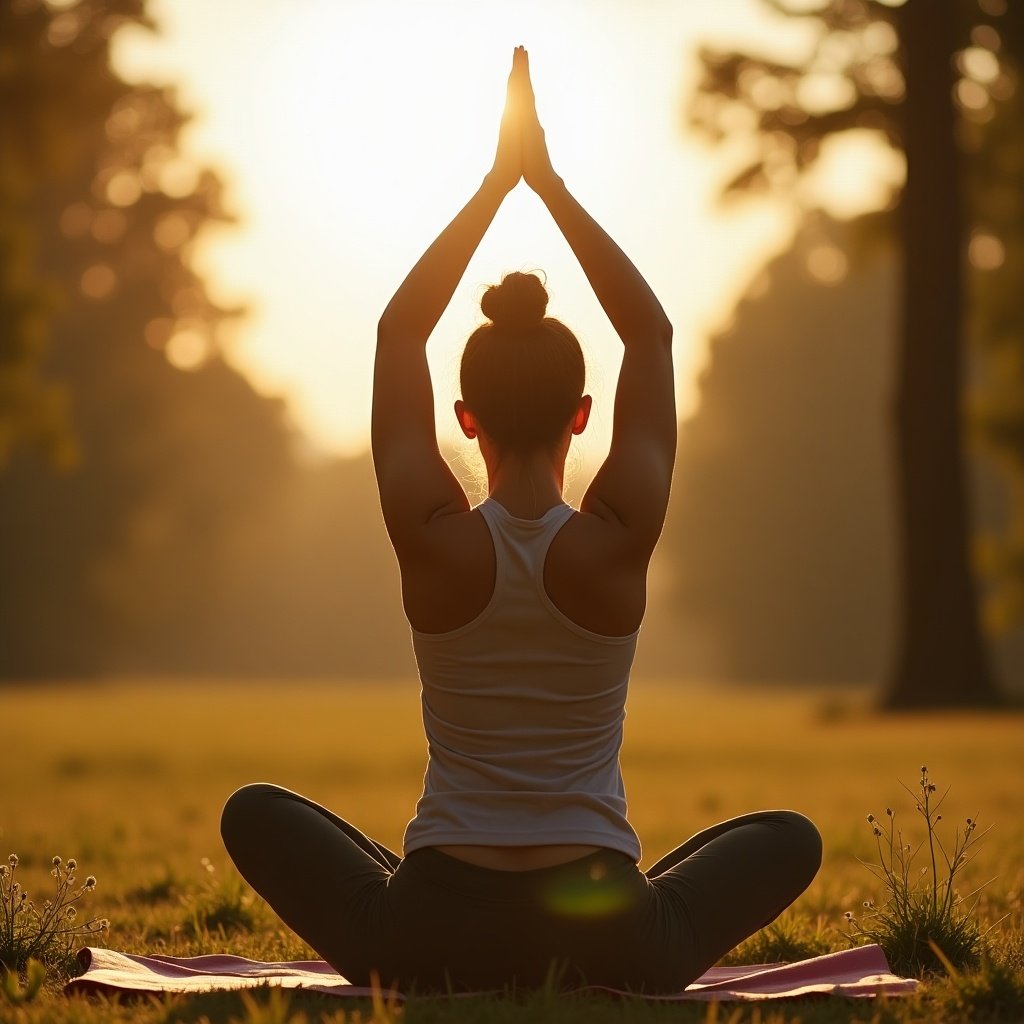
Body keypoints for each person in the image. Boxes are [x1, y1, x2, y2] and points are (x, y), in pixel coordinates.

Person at [220, 46, 821, 994]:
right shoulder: (618, 538)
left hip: (426, 928)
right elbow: (652, 334)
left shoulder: (434, 536)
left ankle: (452, 929)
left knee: (254, 809)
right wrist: (547, 184)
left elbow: (398, 333)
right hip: (610, 929)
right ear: (584, 414)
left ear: (465, 421)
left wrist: (495, 186)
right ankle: (609, 929)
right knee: (790, 838)